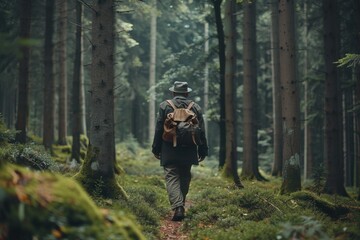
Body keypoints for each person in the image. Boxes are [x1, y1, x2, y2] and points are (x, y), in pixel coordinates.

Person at [152, 81, 208, 221]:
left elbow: (159, 128)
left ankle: (178, 207)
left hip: (169, 148)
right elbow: (201, 131)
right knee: (184, 176)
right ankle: (181, 204)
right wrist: (203, 149)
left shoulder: (165, 106)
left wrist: (156, 148)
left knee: (171, 176)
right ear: (187, 93)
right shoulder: (195, 107)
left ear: (173, 93)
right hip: (189, 148)